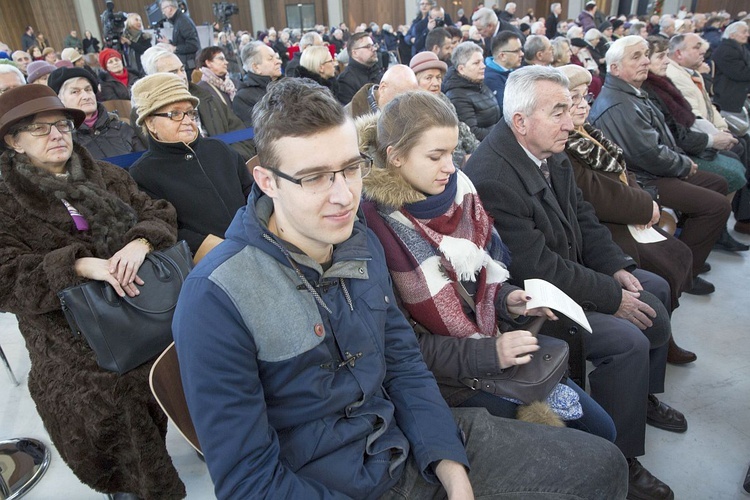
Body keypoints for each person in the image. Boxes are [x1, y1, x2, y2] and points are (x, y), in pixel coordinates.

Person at [171, 75, 628, 500]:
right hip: (328, 481)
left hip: (408, 442)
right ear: (268, 181)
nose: (344, 195)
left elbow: (404, 364)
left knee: (603, 464)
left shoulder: (358, 242)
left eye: (350, 169)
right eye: (314, 177)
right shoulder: (217, 297)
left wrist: (448, 464)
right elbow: (250, 482)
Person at [464, 65, 687, 500]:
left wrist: (616, 265)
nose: (572, 120)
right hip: (538, 301)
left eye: (570, 108)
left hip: (573, 273)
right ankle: (620, 457)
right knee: (627, 342)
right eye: (559, 110)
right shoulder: (494, 175)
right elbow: (539, 267)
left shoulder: (550, 148)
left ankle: (640, 398)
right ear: (521, 122)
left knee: (654, 286)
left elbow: (584, 219)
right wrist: (611, 296)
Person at [359, 90, 617, 438]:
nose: (450, 167)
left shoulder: (459, 192)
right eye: (436, 156)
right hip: (448, 379)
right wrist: (489, 353)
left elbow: (474, 282)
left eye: (451, 152)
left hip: (493, 347)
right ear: (395, 157)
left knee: (603, 429)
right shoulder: (375, 229)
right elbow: (402, 348)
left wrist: (506, 298)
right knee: (592, 440)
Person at [0, 84, 184, 499]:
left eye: (62, 125)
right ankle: (138, 486)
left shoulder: (107, 176)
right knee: (111, 391)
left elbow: (159, 212)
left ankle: (213, 439)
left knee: (211, 342)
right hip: (68, 332)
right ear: (13, 142)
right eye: (40, 129)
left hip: (144, 302)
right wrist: (77, 265)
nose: (57, 135)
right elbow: (4, 276)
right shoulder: (5, 201)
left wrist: (140, 243)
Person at [559, 63, 696, 363]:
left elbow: (623, 172)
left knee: (679, 255)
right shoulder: (561, 144)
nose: (582, 105)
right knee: (665, 270)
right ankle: (661, 339)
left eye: (585, 97)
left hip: (625, 214)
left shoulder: (588, 133)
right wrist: (646, 206)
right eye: (574, 99)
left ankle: (663, 335)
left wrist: (645, 201)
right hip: (607, 224)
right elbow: (595, 195)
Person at [588, 36, 739, 282]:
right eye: (636, 57)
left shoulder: (631, 92)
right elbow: (647, 155)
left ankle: (688, 254)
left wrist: (680, 160)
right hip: (644, 178)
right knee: (717, 206)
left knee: (719, 184)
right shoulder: (618, 103)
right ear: (614, 68)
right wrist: (683, 164)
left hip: (655, 169)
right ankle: (684, 271)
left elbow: (661, 139)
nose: (645, 61)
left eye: (645, 55)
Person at [130, 73, 252, 262]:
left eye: (190, 112)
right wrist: (220, 249)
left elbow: (251, 191)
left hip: (255, 241)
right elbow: (168, 228)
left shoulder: (218, 149)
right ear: (150, 123)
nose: (187, 120)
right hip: (211, 261)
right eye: (175, 114)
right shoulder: (143, 173)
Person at [667, 32, 750, 234]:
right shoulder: (673, 75)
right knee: (733, 162)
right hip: (687, 143)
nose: (703, 51)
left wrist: (723, 129)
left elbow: (709, 108)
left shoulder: (691, 73)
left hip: (700, 133)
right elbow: (691, 116)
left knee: (743, 145)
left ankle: (733, 219)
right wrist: (715, 137)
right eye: (696, 48)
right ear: (678, 53)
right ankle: (725, 223)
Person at [138, 47, 255, 160]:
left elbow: (242, 139)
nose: (182, 76)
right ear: (154, 79)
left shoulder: (209, 98)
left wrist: (226, 161)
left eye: (182, 69)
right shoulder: (147, 115)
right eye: (173, 72)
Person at [48, 67, 145, 160]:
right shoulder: (60, 139)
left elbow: (142, 163)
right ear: (59, 99)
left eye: (88, 89)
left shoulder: (122, 128)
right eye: (75, 92)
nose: (86, 96)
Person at [409, 51, 479, 166]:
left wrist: (478, 151)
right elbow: (429, 151)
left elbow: (460, 129)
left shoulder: (444, 101)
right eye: (428, 78)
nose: (436, 83)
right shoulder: (413, 110)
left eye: (438, 77)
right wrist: (463, 160)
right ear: (415, 82)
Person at [443, 41, 499, 141]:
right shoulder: (457, 95)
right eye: (476, 63)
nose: (483, 66)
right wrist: (502, 133)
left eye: (482, 61)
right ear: (461, 69)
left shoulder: (477, 83)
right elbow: (472, 132)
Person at [233, 41, 282, 127]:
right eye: (271, 59)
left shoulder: (286, 83)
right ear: (256, 67)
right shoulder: (243, 98)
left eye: (276, 57)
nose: (279, 62)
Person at [346, 64, 418, 118]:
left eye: (412, 98)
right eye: (401, 97)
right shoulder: (348, 117)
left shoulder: (414, 113)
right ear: (383, 88)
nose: (407, 105)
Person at [336, 32, 383, 105]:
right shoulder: (345, 80)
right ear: (355, 53)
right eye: (368, 46)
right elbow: (350, 112)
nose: (374, 49)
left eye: (373, 45)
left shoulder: (376, 71)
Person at [158, 0, 200, 79]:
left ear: (170, 8)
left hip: (190, 69)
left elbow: (193, 45)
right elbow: (183, 42)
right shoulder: (179, 21)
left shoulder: (183, 21)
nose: (163, 12)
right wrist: (169, 43)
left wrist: (175, 48)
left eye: (163, 9)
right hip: (187, 66)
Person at [484, 31, 524, 109]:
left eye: (521, 50)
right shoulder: (491, 79)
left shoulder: (511, 70)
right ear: (502, 56)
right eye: (517, 51)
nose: (522, 54)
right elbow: (507, 109)